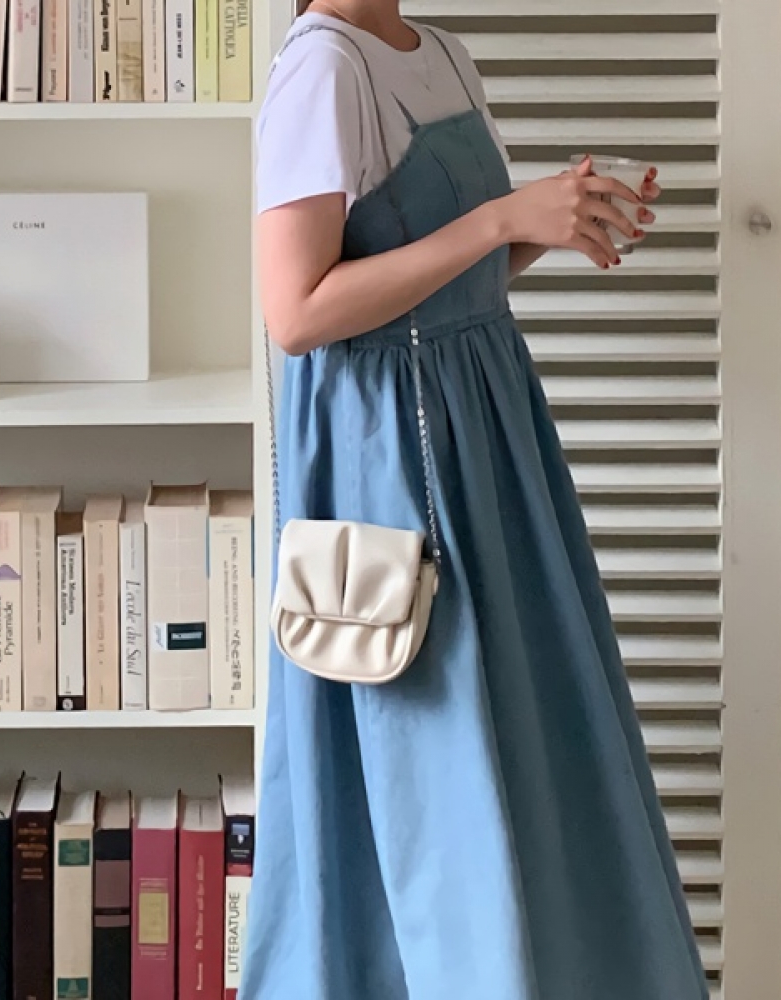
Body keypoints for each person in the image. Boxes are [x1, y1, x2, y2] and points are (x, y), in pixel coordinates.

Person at [241, 0, 710, 998]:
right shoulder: (322, 70)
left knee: (524, 734)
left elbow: (452, 279)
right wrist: (501, 217)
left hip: (485, 434)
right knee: (432, 757)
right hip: (392, 458)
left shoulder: (441, 55)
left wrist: (555, 218)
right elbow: (298, 311)